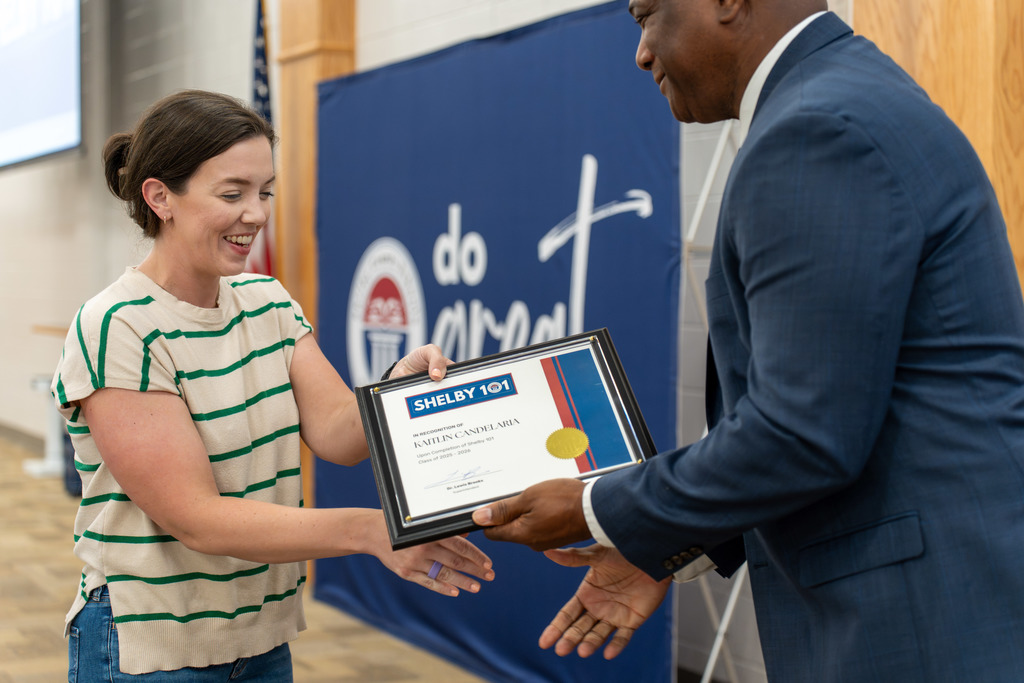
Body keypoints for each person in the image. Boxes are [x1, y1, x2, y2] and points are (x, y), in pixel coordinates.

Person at [471, 1, 1024, 679]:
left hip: (920, 627)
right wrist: (660, 544)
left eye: (647, 16)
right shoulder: (844, 98)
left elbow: (802, 434)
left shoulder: (816, 131)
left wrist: (593, 507)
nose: (643, 53)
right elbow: (848, 409)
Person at [52, 89, 494, 680]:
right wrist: (370, 531)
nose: (256, 214)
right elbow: (197, 519)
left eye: (264, 192)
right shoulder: (117, 326)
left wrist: (396, 390)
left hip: (260, 629)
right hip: (152, 641)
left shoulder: (268, 302)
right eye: (232, 194)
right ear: (161, 197)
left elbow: (339, 434)